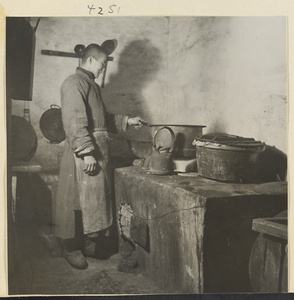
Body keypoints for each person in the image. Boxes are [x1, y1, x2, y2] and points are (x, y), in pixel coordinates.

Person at [54, 43, 144, 269]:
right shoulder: (73, 83)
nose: (104, 69)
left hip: (97, 152)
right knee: (76, 201)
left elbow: (103, 118)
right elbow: (75, 121)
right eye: (102, 65)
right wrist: (86, 153)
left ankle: (85, 243)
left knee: (91, 203)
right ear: (91, 60)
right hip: (82, 154)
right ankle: (70, 247)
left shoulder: (91, 85)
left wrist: (127, 121)